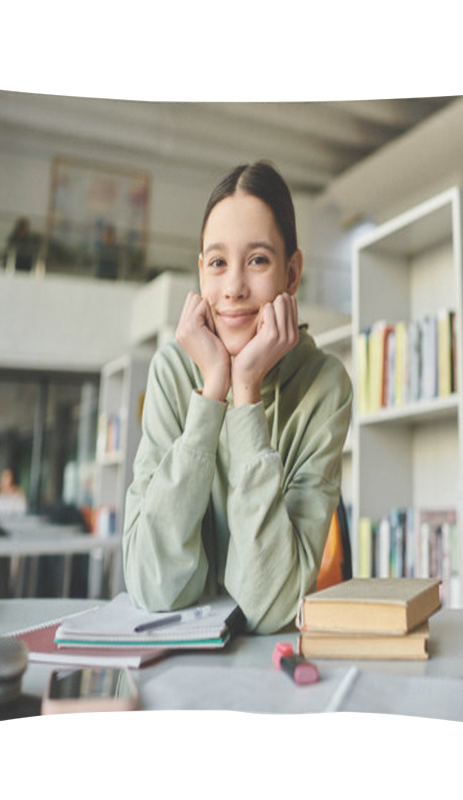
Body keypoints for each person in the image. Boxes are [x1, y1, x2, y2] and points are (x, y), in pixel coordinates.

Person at [122, 161, 352, 634]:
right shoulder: (171, 371)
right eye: (218, 262)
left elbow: (268, 607)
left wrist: (245, 393)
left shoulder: (325, 385)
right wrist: (211, 396)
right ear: (200, 272)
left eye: (258, 260)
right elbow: (153, 586)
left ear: (292, 274)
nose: (233, 288)